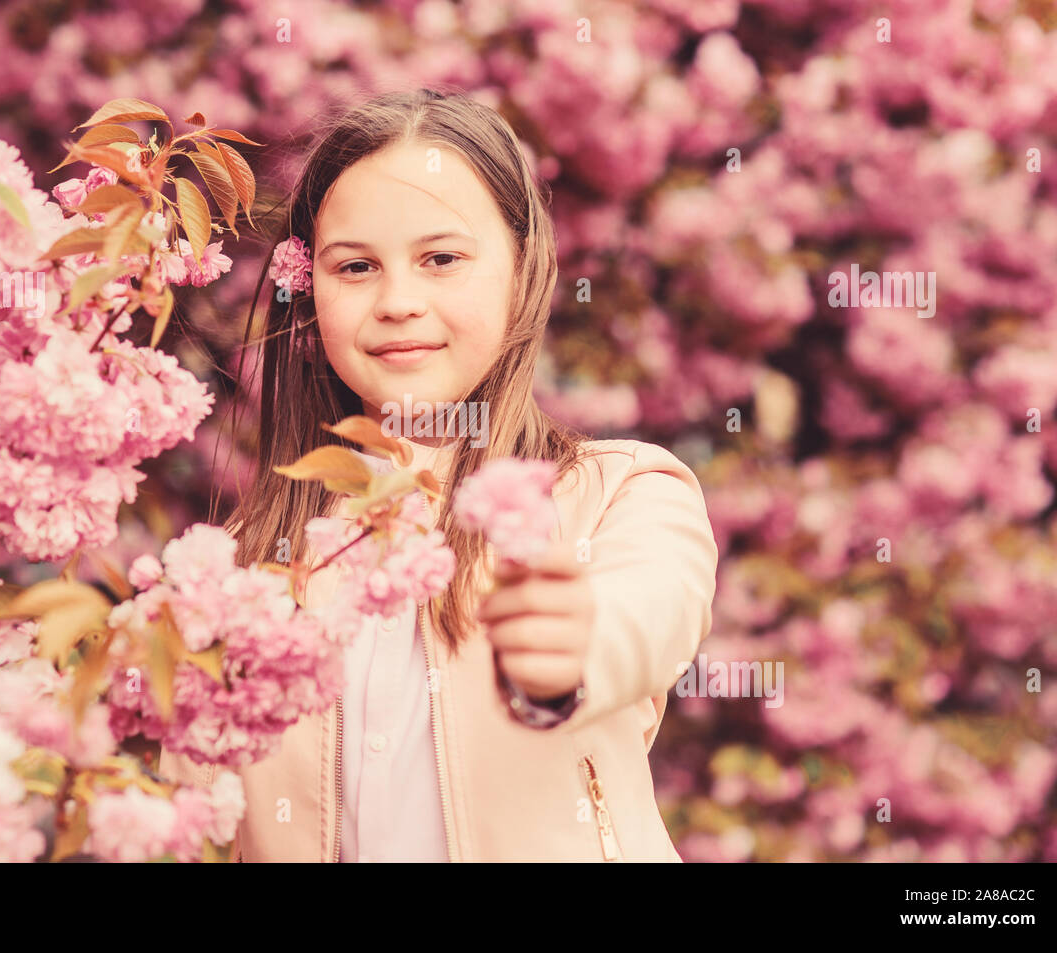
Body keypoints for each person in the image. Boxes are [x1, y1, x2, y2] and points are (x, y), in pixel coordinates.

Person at [158, 87, 718, 861]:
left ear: (522, 270)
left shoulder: (622, 496)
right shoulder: (245, 568)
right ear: (309, 289)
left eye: (442, 259)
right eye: (356, 266)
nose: (397, 301)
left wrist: (574, 643)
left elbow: (648, 610)